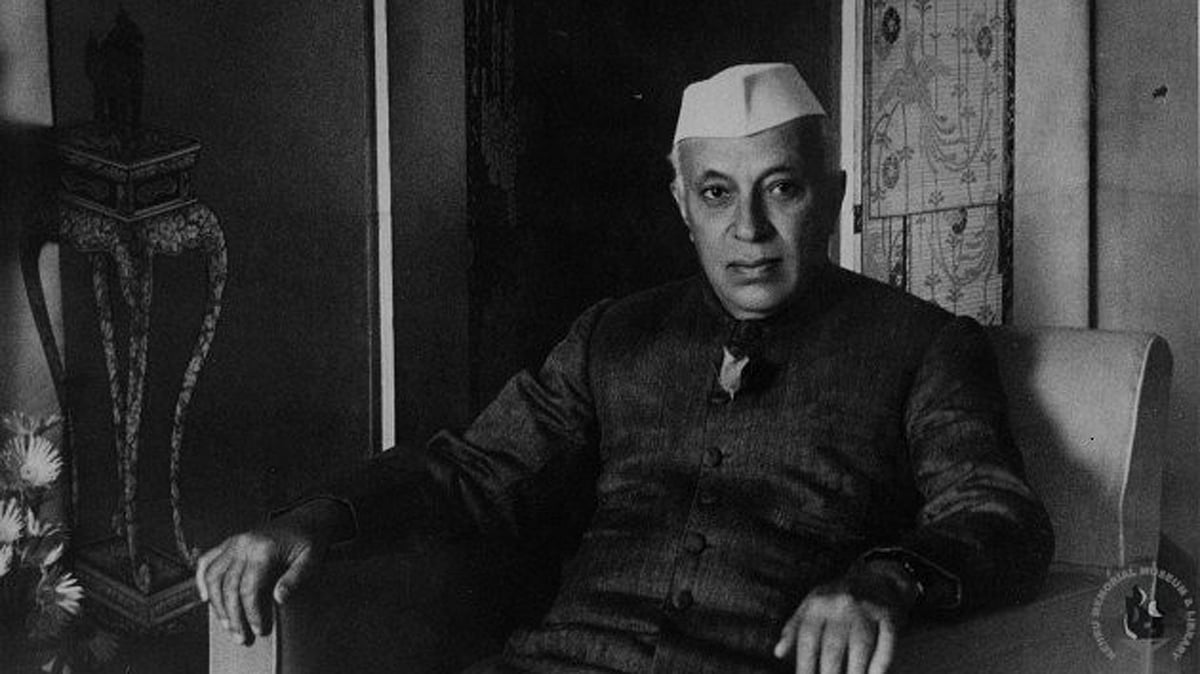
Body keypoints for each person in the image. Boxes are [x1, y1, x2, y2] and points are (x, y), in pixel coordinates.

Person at [197, 63, 1053, 674]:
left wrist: (883, 578)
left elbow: (998, 514)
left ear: (829, 193)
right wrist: (310, 520)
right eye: (717, 193)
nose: (749, 230)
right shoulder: (615, 334)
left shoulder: (923, 343)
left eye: (781, 188)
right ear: (682, 202)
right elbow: (473, 473)